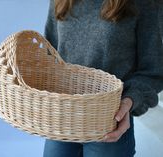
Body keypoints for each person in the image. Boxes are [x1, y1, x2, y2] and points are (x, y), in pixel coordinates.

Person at [43, 0, 163, 157]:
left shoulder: (145, 4)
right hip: (62, 118)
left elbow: (153, 71)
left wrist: (128, 102)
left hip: (109, 123)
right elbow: (50, 56)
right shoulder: (61, 2)